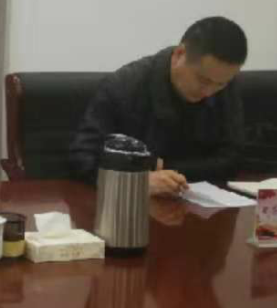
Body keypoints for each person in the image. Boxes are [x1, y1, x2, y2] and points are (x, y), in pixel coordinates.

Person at [69, 16, 247, 196]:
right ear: (179, 54)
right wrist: (138, 182)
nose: (209, 92)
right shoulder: (123, 86)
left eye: (221, 84)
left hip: (197, 201)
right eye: (203, 80)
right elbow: (83, 159)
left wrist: (166, 169)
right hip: (128, 205)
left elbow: (232, 159)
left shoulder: (223, 85)